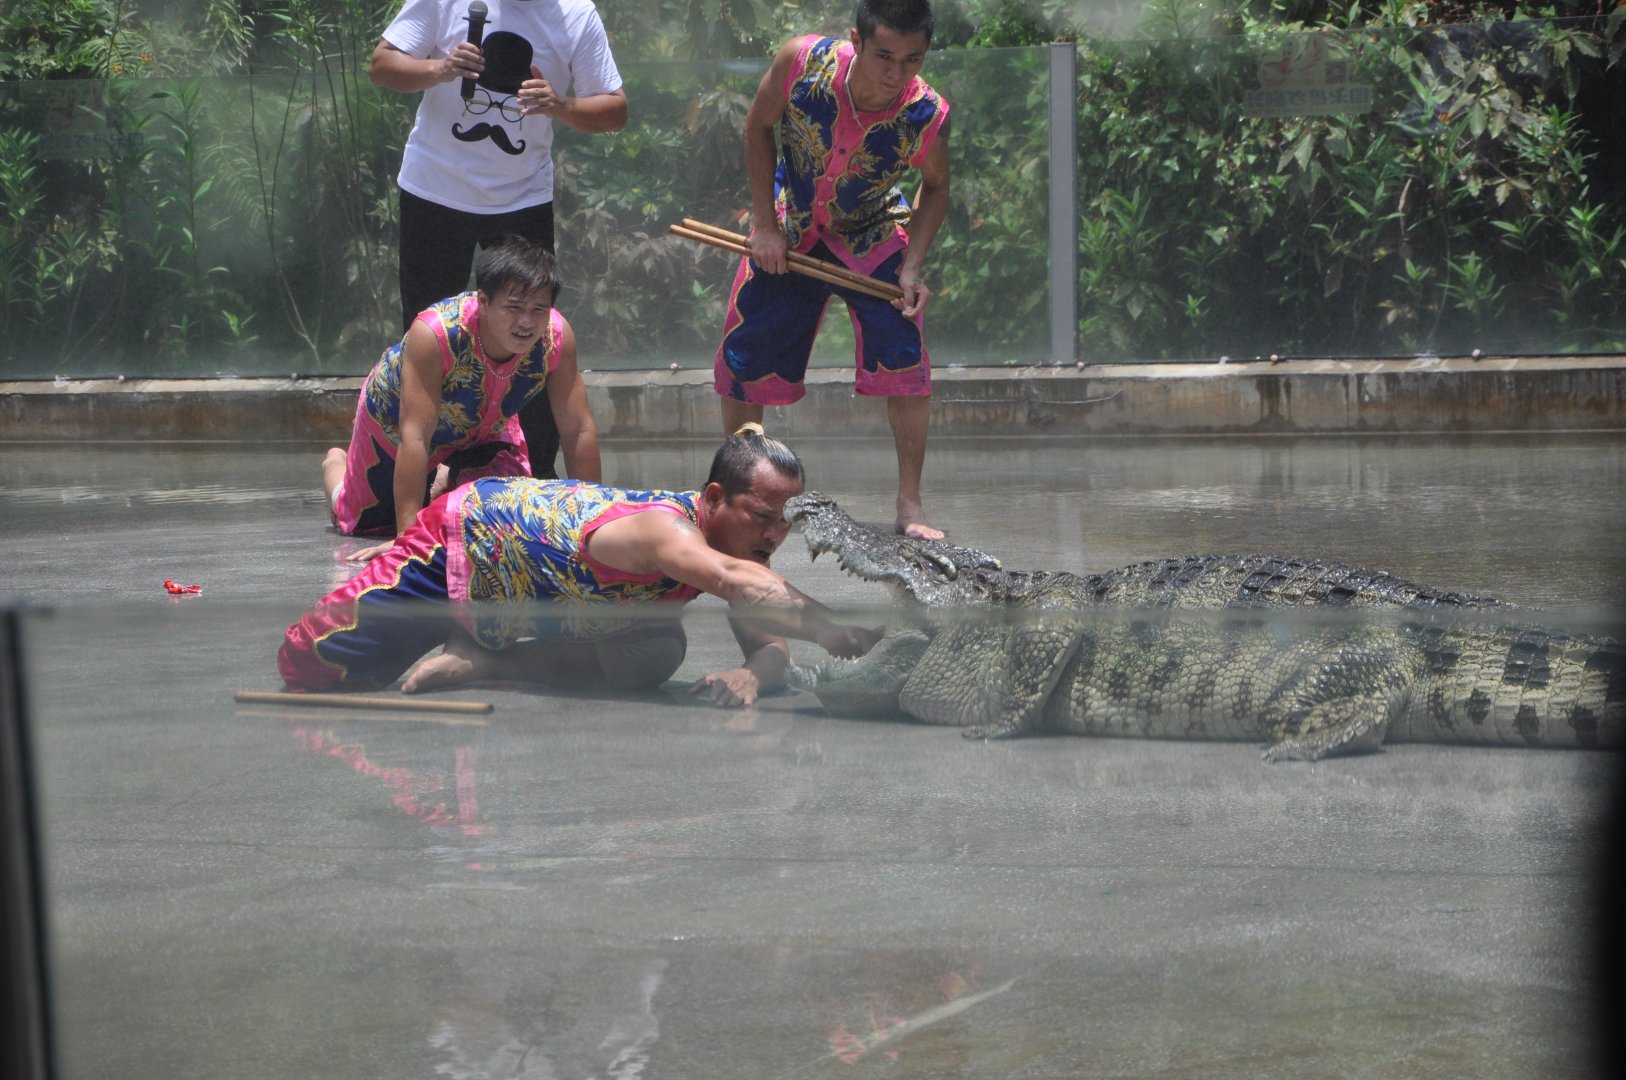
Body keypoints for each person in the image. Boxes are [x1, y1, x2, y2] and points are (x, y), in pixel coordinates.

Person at [283, 426, 880, 707]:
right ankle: (339, 460)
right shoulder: (669, 532)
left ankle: (487, 657)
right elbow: (738, 585)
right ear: (715, 499)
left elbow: (766, 628)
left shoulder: (733, 542)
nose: (776, 535)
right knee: (309, 662)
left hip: (545, 602)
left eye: (786, 521)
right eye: (764, 516)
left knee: (657, 650)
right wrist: (844, 635)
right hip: (472, 540)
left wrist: (759, 670)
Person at [714, 0, 951, 540]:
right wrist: (764, 225)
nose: (896, 74)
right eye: (884, 56)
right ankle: (741, 491)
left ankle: (910, 504)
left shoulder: (927, 113)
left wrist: (912, 265)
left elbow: (937, 187)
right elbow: (758, 128)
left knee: (904, 350)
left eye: (912, 60)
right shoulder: (801, 62)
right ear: (857, 40)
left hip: (869, 229)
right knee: (747, 351)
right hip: (789, 222)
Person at [369, 0, 628, 478]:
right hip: (434, 187)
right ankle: (418, 475)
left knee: (533, 335)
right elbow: (382, 65)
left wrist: (560, 105)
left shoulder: (575, 12)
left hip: (521, 198)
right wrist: (440, 67)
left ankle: (539, 477)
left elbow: (614, 109)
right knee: (427, 336)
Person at [323, 236, 601, 558]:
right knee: (366, 521)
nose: (527, 322)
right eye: (514, 307)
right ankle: (337, 465)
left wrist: (591, 519)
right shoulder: (435, 333)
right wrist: (407, 539)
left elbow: (577, 429)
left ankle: (445, 476)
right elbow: (414, 436)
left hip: (487, 424)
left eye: (539, 309)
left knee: (502, 511)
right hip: (397, 423)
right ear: (483, 301)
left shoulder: (556, 337)